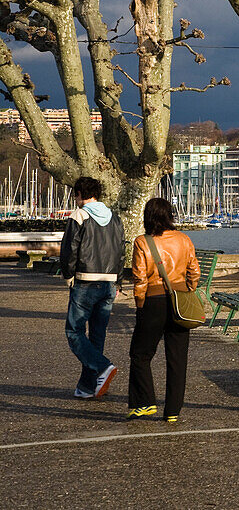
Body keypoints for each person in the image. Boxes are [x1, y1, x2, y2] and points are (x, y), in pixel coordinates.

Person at [127, 198, 200, 422]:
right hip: (179, 300)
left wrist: (140, 304)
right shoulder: (183, 239)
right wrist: (186, 290)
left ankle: (145, 402)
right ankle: (172, 411)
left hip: (153, 301)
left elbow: (140, 279)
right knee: (177, 358)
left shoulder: (142, 242)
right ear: (170, 215)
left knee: (140, 354)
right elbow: (194, 272)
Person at [61, 176, 126, 400]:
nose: (76, 199)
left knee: (74, 331)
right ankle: (88, 387)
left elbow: (70, 248)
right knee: (97, 335)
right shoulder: (115, 218)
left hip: (85, 280)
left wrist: (68, 275)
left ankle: (102, 367)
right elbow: (121, 251)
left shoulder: (79, 215)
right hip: (109, 282)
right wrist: (118, 281)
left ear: (79, 194)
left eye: (76, 195)